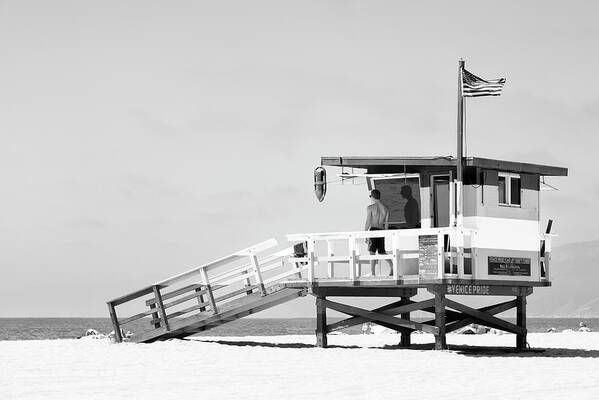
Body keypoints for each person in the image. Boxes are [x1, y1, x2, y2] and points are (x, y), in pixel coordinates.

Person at [364, 189, 393, 276]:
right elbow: (386, 223)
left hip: (373, 230)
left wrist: (365, 235)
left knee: (372, 252)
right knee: (382, 252)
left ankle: (372, 273)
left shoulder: (370, 207)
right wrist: (386, 233)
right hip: (382, 230)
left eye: (370, 197)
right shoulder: (386, 208)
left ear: (372, 197)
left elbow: (368, 222)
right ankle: (392, 266)